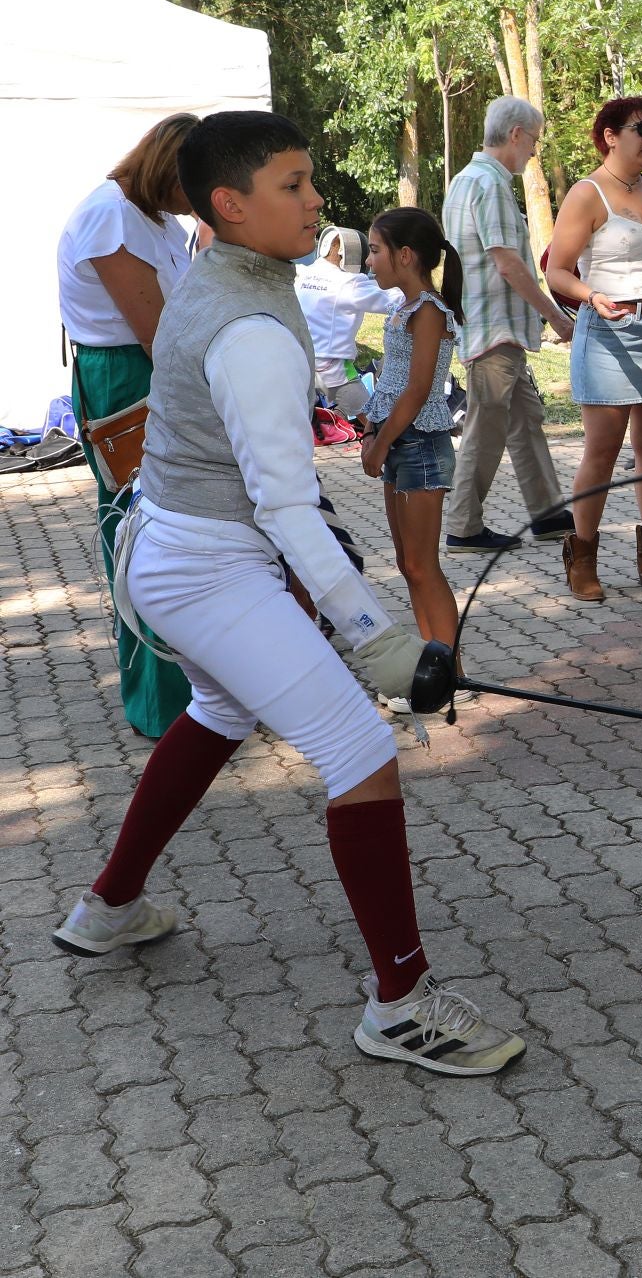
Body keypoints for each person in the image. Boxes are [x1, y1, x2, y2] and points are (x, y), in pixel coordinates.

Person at [52, 111, 524, 1076]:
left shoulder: (220, 277)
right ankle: (400, 1003)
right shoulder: (246, 321)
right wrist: (376, 638)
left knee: (220, 710)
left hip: (182, 552)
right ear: (229, 204)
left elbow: (276, 435)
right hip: (204, 566)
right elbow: (286, 506)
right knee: (360, 752)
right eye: (294, 186)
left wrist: (359, 406)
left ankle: (109, 906)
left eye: (312, 181)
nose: (317, 201)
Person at [55, 112, 200, 738]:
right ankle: (159, 705)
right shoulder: (113, 217)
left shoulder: (153, 217)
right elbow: (159, 334)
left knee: (173, 535)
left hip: (144, 373)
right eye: (193, 187)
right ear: (168, 171)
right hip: (126, 381)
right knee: (143, 539)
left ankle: (197, 696)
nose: (199, 205)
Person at [544, 95, 642, 600]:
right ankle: (581, 559)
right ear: (610, 136)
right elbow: (557, 269)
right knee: (601, 453)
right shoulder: (587, 193)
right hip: (607, 335)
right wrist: (590, 296)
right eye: (639, 128)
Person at [441, 96, 574, 554]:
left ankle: (549, 513)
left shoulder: (465, 179)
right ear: (516, 133)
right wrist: (555, 315)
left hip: (492, 330)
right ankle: (463, 526)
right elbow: (509, 264)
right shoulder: (491, 184)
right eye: (534, 140)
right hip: (493, 333)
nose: (534, 151)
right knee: (486, 427)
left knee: (526, 420)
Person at [358, 207, 463, 716]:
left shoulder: (429, 312)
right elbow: (395, 384)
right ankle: (433, 666)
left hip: (419, 446)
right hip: (400, 443)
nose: (370, 260)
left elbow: (420, 388)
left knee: (423, 566)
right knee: (408, 564)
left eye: (376, 250)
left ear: (405, 255)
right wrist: (373, 433)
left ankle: (447, 675)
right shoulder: (403, 309)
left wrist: (380, 444)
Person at [295, 227, 402, 427]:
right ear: (351, 255)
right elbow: (394, 300)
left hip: (299, 365)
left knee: (295, 425)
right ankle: (382, 450)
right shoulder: (350, 283)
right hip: (333, 370)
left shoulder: (301, 274)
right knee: (374, 422)